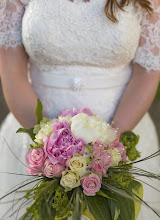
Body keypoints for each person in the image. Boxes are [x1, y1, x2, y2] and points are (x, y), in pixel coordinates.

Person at [0, 0, 160, 219]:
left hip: (123, 128)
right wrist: (47, 148)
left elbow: (148, 71)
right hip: (34, 136)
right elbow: (11, 70)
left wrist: (107, 152)